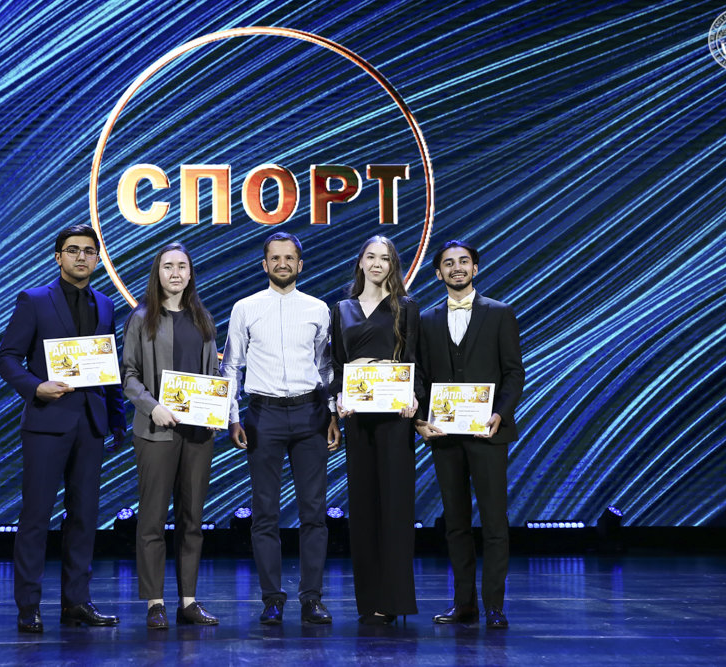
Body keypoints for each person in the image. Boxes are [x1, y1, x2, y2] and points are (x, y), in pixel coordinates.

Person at [0, 223, 126, 633]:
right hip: (47, 423)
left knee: (84, 517)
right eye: (73, 250)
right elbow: (6, 358)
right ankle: (28, 606)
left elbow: (108, 366)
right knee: (36, 517)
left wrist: (117, 418)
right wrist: (36, 387)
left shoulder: (106, 304)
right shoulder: (34, 300)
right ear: (58, 257)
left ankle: (76, 603)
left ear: (98, 259)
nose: (81, 257)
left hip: (91, 424)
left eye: (89, 251)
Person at [221, 231, 341, 625]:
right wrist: (232, 416)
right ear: (265, 264)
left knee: (314, 512)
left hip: (310, 414)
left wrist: (332, 413)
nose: (283, 263)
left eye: (289, 257)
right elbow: (231, 366)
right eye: (275, 258)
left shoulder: (318, 309)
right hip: (263, 415)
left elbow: (325, 367)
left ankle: (312, 598)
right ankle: (272, 598)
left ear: (300, 264)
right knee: (265, 513)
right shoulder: (245, 308)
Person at [414, 240, 525, 629]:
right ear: (438, 273)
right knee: (456, 524)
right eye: (448, 263)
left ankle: (494, 606)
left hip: (488, 434)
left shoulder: (500, 313)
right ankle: (464, 604)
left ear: (475, 268)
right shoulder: (426, 319)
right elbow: (420, 376)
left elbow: (513, 372)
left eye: (464, 261)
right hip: (444, 435)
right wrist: (420, 419)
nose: (457, 268)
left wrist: (500, 413)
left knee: (494, 522)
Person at [121, 243, 221, 629]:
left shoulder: (202, 318)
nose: (175, 273)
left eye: (182, 266)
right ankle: (155, 603)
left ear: (190, 273)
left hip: (198, 435)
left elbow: (213, 374)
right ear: (158, 273)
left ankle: (188, 601)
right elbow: (128, 374)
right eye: (168, 266)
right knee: (152, 519)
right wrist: (152, 407)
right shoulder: (141, 317)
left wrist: (216, 410)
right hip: (155, 431)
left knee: (192, 518)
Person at [330, 236, 420, 625]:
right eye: (371, 256)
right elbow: (337, 365)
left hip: (394, 418)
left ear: (393, 265)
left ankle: (394, 598)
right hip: (358, 417)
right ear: (361, 262)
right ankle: (369, 600)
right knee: (364, 507)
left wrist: (415, 397)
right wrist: (338, 398)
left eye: (385, 258)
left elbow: (415, 359)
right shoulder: (342, 309)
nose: (378, 263)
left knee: (395, 507)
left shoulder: (407, 307)